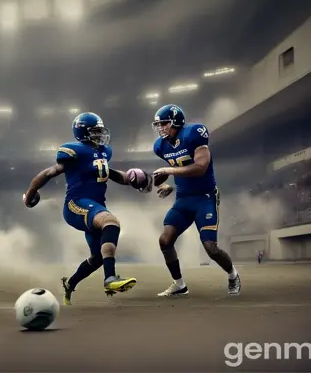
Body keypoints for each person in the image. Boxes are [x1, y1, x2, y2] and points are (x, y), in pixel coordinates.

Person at [24, 112, 148, 305]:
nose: (100, 135)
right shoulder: (74, 151)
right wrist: (31, 192)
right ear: (83, 132)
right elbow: (50, 172)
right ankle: (110, 279)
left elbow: (110, 174)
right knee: (111, 222)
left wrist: (133, 179)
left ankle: (70, 284)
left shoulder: (103, 152)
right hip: (76, 204)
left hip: (95, 205)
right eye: (95, 131)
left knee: (98, 257)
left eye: (100, 130)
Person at [151, 104, 240, 296]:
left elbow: (200, 167)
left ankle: (233, 275)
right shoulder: (160, 146)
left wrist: (169, 171)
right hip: (183, 199)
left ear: (176, 121)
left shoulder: (194, 134)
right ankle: (179, 285)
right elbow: (175, 167)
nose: (161, 128)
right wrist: (164, 185)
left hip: (205, 197)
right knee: (165, 241)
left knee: (211, 248)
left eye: (164, 123)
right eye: (158, 124)